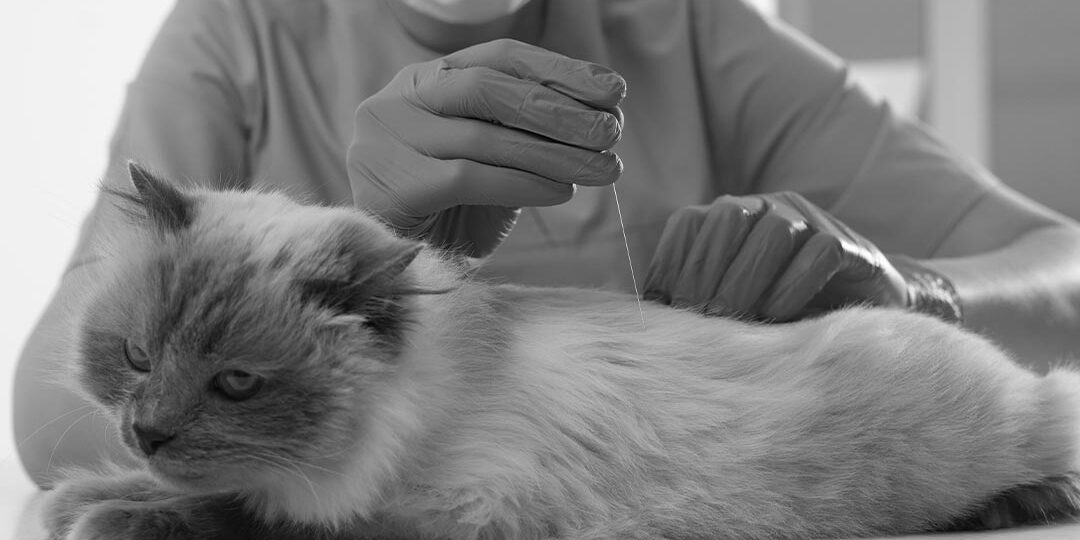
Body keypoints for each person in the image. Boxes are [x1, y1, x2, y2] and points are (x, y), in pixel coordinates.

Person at [14, 0, 1080, 489]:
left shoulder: (689, 32)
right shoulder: (238, 32)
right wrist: (356, 247)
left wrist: (915, 291)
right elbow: (45, 419)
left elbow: (1063, 270)